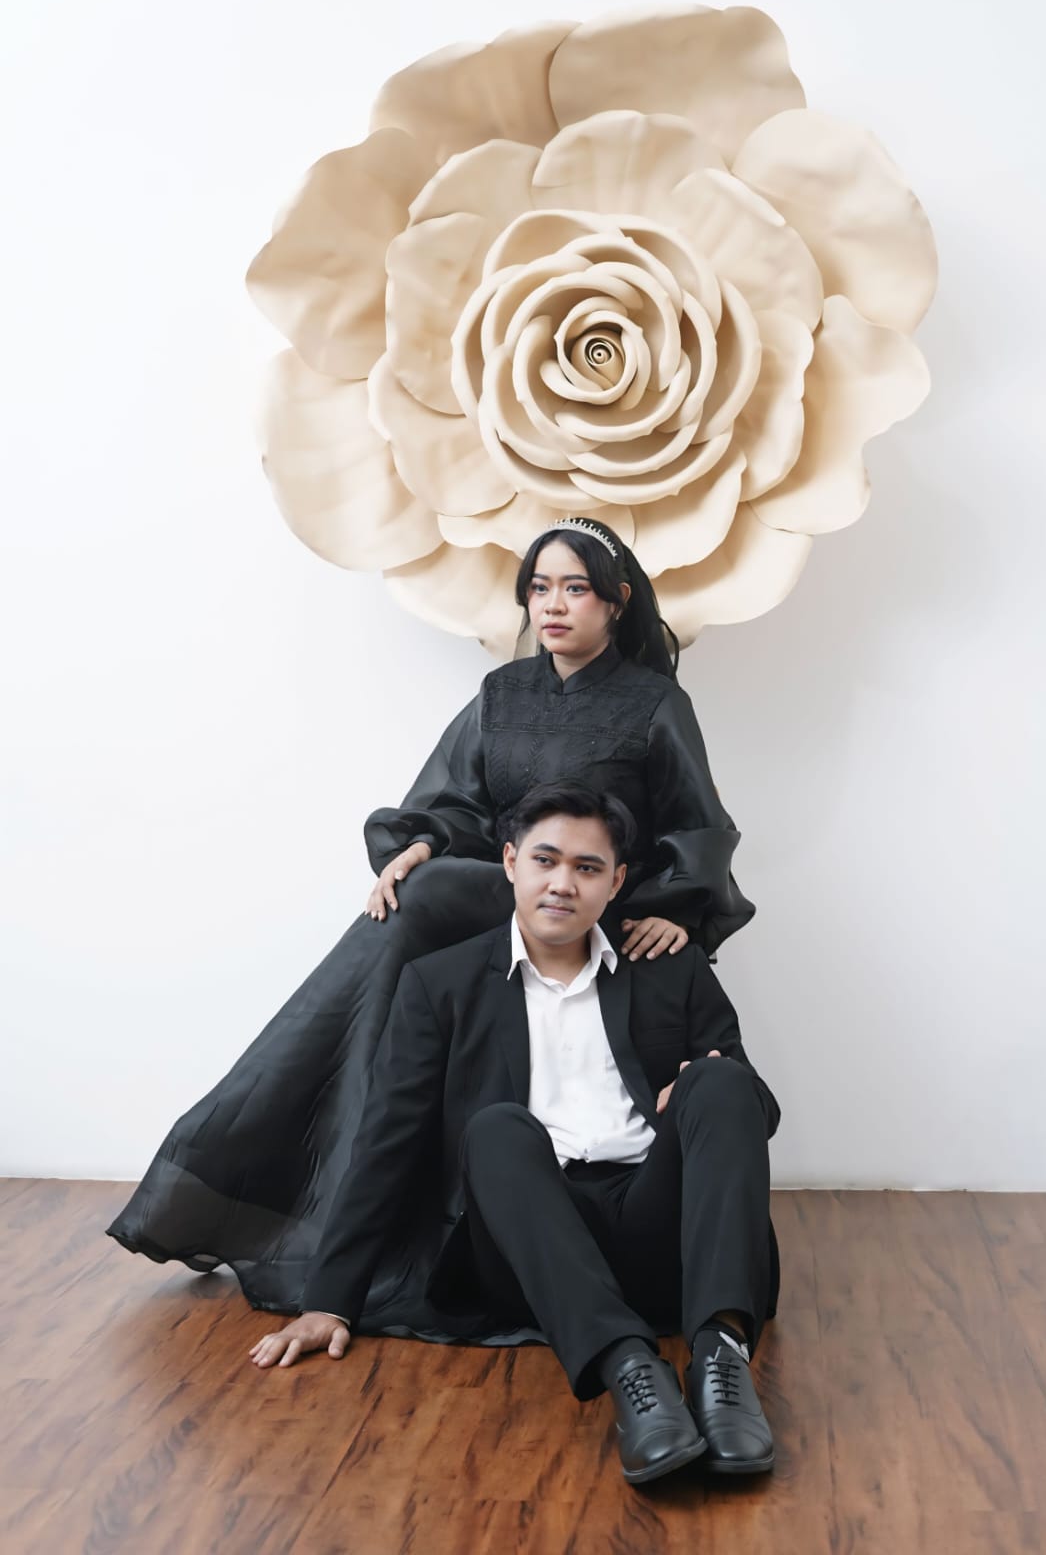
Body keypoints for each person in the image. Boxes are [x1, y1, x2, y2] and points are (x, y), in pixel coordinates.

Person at [108, 518, 756, 1324]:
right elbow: (455, 802)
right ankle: (327, 1118)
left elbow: (698, 823)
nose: (553, 606)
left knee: (433, 893)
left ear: (616, 602)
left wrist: (671, 908)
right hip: (505, 894)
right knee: (423, 889)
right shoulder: (501, 695)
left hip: (594, 902)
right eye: (539, 589)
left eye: (575, 588)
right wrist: (419, 843)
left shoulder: (655, 703)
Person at [248, 783, 780, 1488]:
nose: (562, 883)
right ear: (510, 863)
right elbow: (386, 1143)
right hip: (533, 1243)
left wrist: (697, 1085)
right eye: (545, 860)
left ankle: (721, 1363)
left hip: (661, 1230)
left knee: (721, 1079)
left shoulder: (667, 964)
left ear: (617, 881)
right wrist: (329, 1299)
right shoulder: (439, 984)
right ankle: (631, 1370)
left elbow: (755, 1113)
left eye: (587, 868)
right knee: (495, 1127)